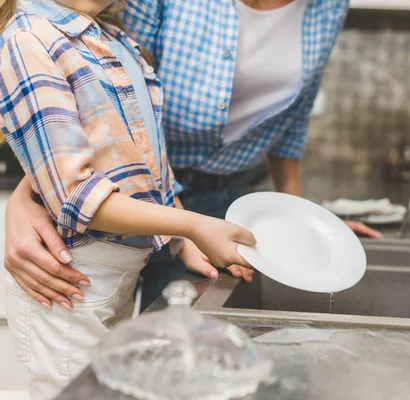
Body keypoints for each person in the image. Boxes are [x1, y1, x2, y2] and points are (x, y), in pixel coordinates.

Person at [3, 0, 382, 312]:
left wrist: (300, 220)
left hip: (213, 204)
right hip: (132, 217)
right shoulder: (36, 35)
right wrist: (33, 190)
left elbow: (295, 117)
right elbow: (94, 107)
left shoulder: (328, 7)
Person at [0, 0, 257, 398]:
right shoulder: (29, 39)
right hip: (67, 276)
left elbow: (147, 166)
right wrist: (194, 225)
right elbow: (75, 195)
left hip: (116, 274)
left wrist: (182, 240)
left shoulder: (115, 39)